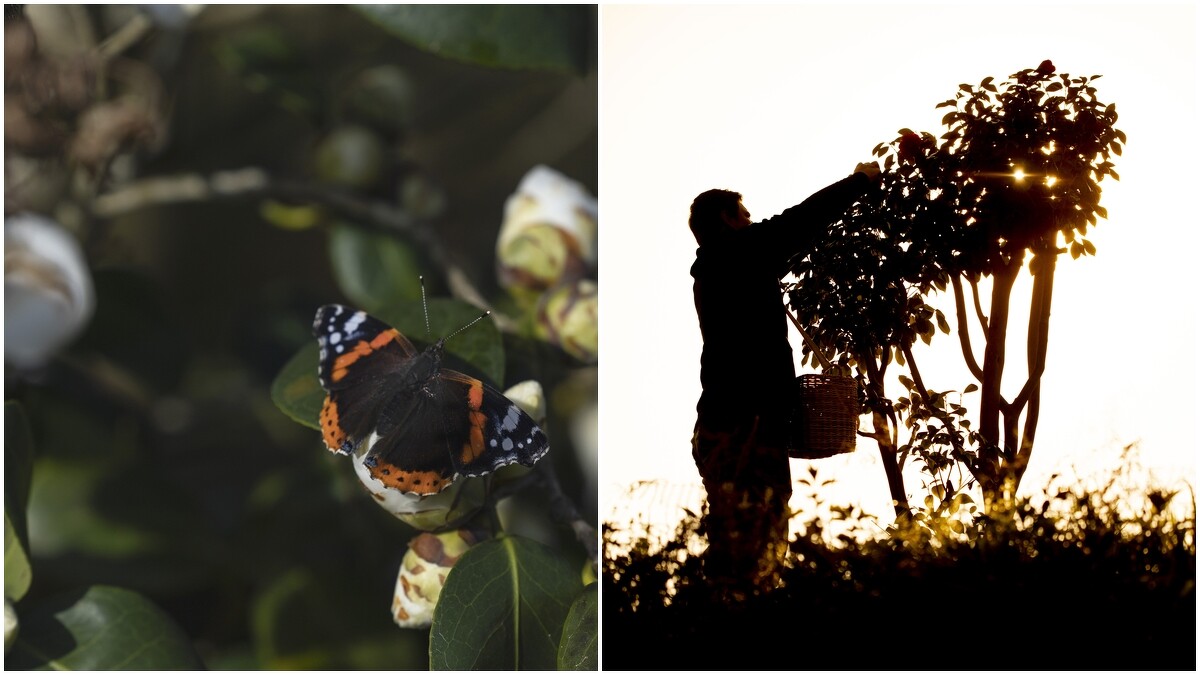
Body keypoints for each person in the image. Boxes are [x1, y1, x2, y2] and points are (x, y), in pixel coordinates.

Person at [689, 161, 881, 595]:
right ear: (726, 219)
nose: (753, 221)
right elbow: (801, 219)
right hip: (746, 427)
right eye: (745, 215)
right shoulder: (737, 254)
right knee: (762, 539)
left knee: (734, 538)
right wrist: (860, 182)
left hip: (720, 425)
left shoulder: (712, 274)